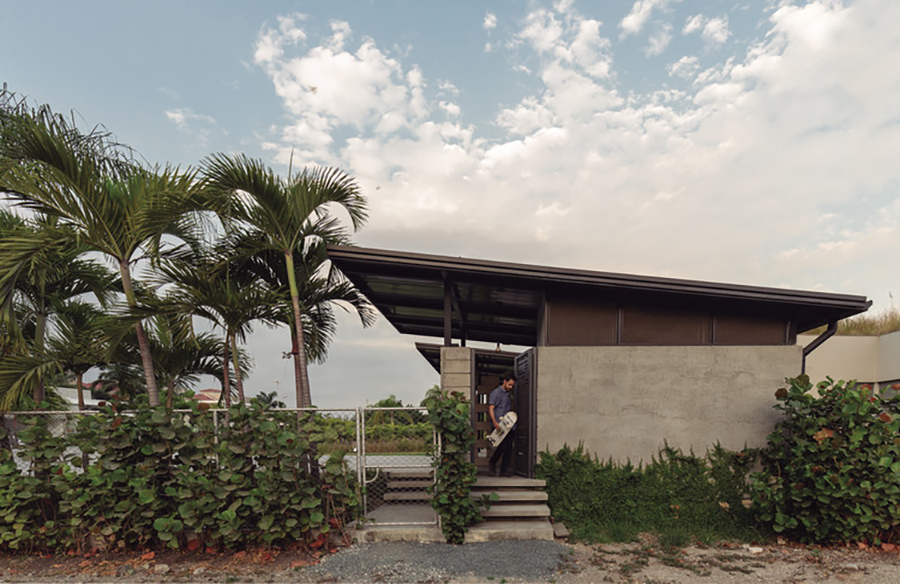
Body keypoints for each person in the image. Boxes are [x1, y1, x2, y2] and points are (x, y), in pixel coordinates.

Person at [488, 372, 517, 477]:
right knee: (501, 447)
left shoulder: (509, 394)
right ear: (505, 381)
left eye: (512, 385)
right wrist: (495, 422)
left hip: (509, 425)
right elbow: (491, 408)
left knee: (509, 448)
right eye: (509, 384)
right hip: (498, 425)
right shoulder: (495, 393)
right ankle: (492, 463)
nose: (510, 387)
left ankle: (503, 472)